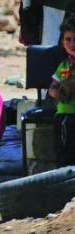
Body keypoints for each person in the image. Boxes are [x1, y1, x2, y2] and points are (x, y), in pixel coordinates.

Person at [48, 18, 75, 167]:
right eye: (68, 39)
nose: (72, 44)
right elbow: (53, 87)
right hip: (63, 116)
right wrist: (56, 92)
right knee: (62, 153)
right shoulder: (64, 65)